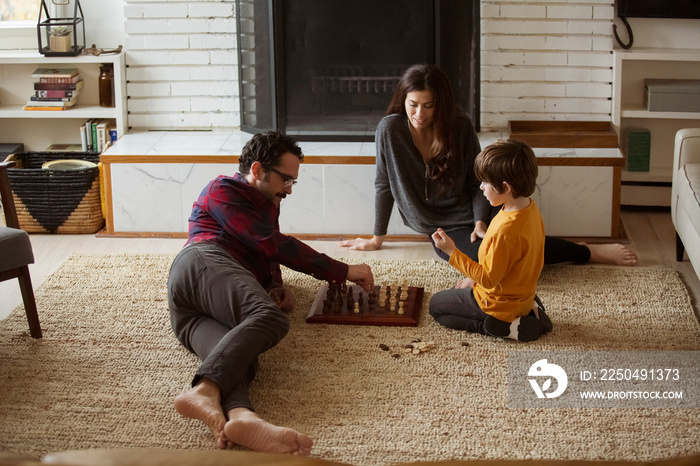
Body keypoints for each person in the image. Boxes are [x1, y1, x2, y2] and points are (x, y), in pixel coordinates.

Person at [167, 131, 374, 455]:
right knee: (268, 319)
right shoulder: (223, 189)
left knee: (241, 356)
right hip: (202, 263)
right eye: (286, 179)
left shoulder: (267, 204)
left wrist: (274, 285)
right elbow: (272, 243)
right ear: (259, 170)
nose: (289, 189)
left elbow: (267, 251)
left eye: (294, 182)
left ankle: (239, 415)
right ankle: (203, 391)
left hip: (194, 314)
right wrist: (341, 270)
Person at [338, 63, 638, 267]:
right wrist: (377, 238)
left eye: (428, 105)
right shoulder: (390, 130)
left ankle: (586, 252)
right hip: (443, 226)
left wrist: (481, 221)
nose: (419, 113)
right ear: (403, 99)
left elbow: (476, 183)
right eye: (413, 104)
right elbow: (383, 184)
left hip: (480, 206)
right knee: (493, 258)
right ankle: (569, 248)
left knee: (515, 244)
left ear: (440, 103)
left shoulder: (461, 127)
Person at [430, 139, 552, 341]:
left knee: (436, 307)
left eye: (485, 182)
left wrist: (452, 251)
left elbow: (487, 279)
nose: (481, 187)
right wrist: (472, 278)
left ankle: (502, 326)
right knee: (459, 292)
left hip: (495, 303)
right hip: (522, 295)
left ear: (505, 188)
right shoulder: (529, 208)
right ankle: (531, 311)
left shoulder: (505, 232)